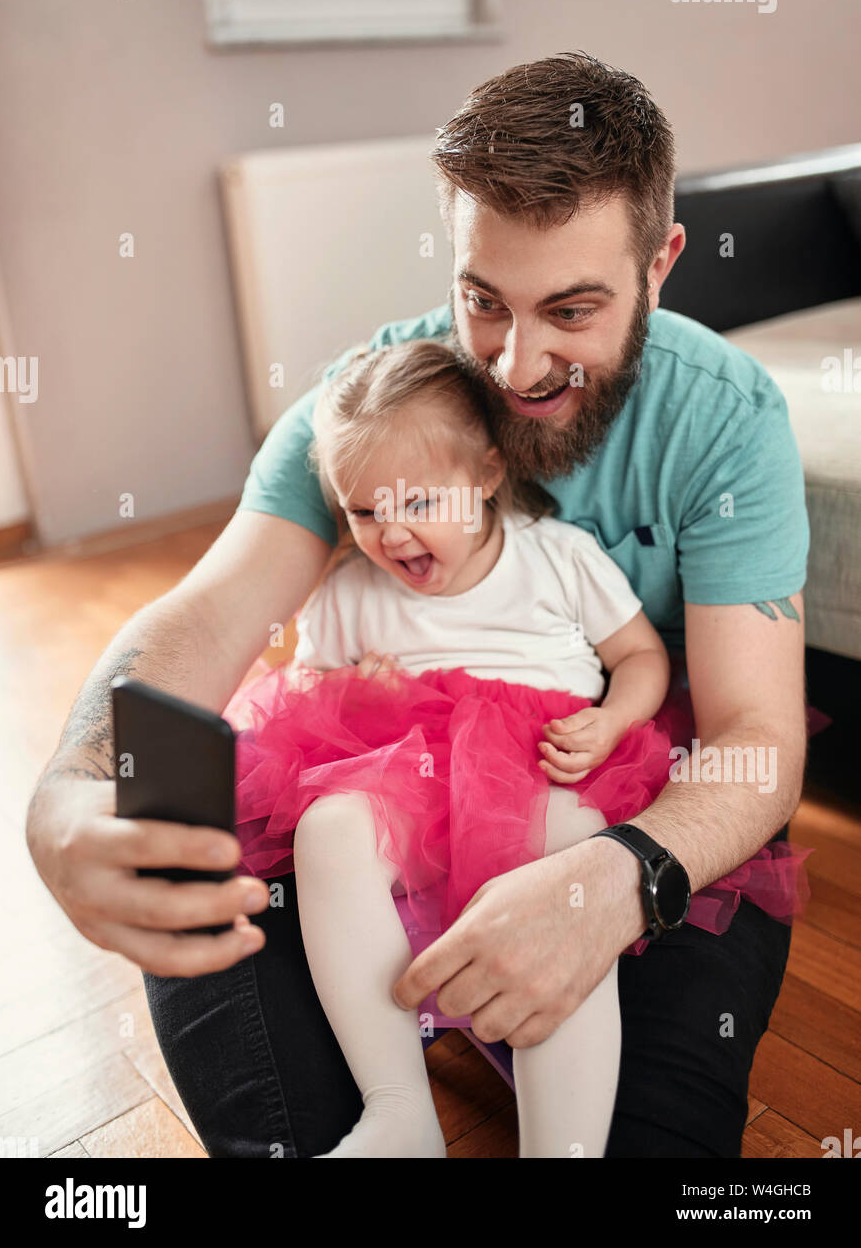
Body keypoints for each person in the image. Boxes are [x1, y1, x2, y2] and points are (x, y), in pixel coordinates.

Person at [26, 51, 811, 1159]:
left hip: (623, 808)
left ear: (660, 262)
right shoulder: (366, 408)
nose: (518, 362)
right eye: (482, 301)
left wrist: (606, 881)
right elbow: (204, 621)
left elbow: (755, 741)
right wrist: (66, 787)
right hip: (390, 793)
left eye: (570, 309)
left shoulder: (726, 419)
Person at [223, 337, 809, 1158]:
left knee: (567, 870)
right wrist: (363, 683)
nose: (390, 535)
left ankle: (560, 1144)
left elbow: (640, 658)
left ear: (488, 475)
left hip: (540, 763)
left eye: (418, 503)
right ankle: (397, 1111)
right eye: (363, 512)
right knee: (328, 829)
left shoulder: (556, 558)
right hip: (405, 776)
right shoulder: (352, 592)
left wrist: (610, 721)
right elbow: (311, 694)